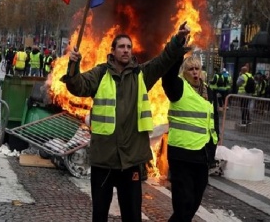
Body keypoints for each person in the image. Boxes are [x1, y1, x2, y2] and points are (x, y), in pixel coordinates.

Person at [62, 23, 190, 222]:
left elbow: (163, 60)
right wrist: (73, 67)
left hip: (130, 161)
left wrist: (178, 40)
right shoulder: (100, 73)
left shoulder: (141, 75)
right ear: (112, 51)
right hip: (103, 160)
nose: (126, 50)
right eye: (121, 46)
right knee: (100, 215)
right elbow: (79, 86)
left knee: (132, 216)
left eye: (129, 47)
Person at [162, 55, 219, 222]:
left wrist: (213, 146)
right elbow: (167, 77)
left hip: (202, 154)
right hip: (181, 154)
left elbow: (213, 119)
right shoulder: (178, 87)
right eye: (190, 69)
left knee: (195, 200)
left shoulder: (209, 91)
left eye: (197, 68)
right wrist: (177, 51)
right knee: (183, 201)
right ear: (184, 72)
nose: (195, 72)